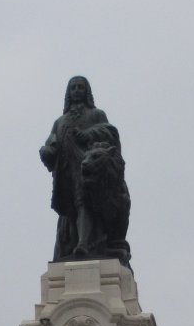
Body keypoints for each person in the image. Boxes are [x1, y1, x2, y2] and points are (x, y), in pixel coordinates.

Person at [40, 76, 128, 262]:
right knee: (71, 211)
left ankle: (84, 244)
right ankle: (76, 244)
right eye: (73, 88)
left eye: (80, 87)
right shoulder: (60, 121)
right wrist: (47, 151)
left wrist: (87, 134)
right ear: (68, 93)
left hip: (89, 171)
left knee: (84, 204)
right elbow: (52, 142)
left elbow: (109, 133)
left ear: (86, 92)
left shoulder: (96, 115)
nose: (77, 90)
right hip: (66, 172)